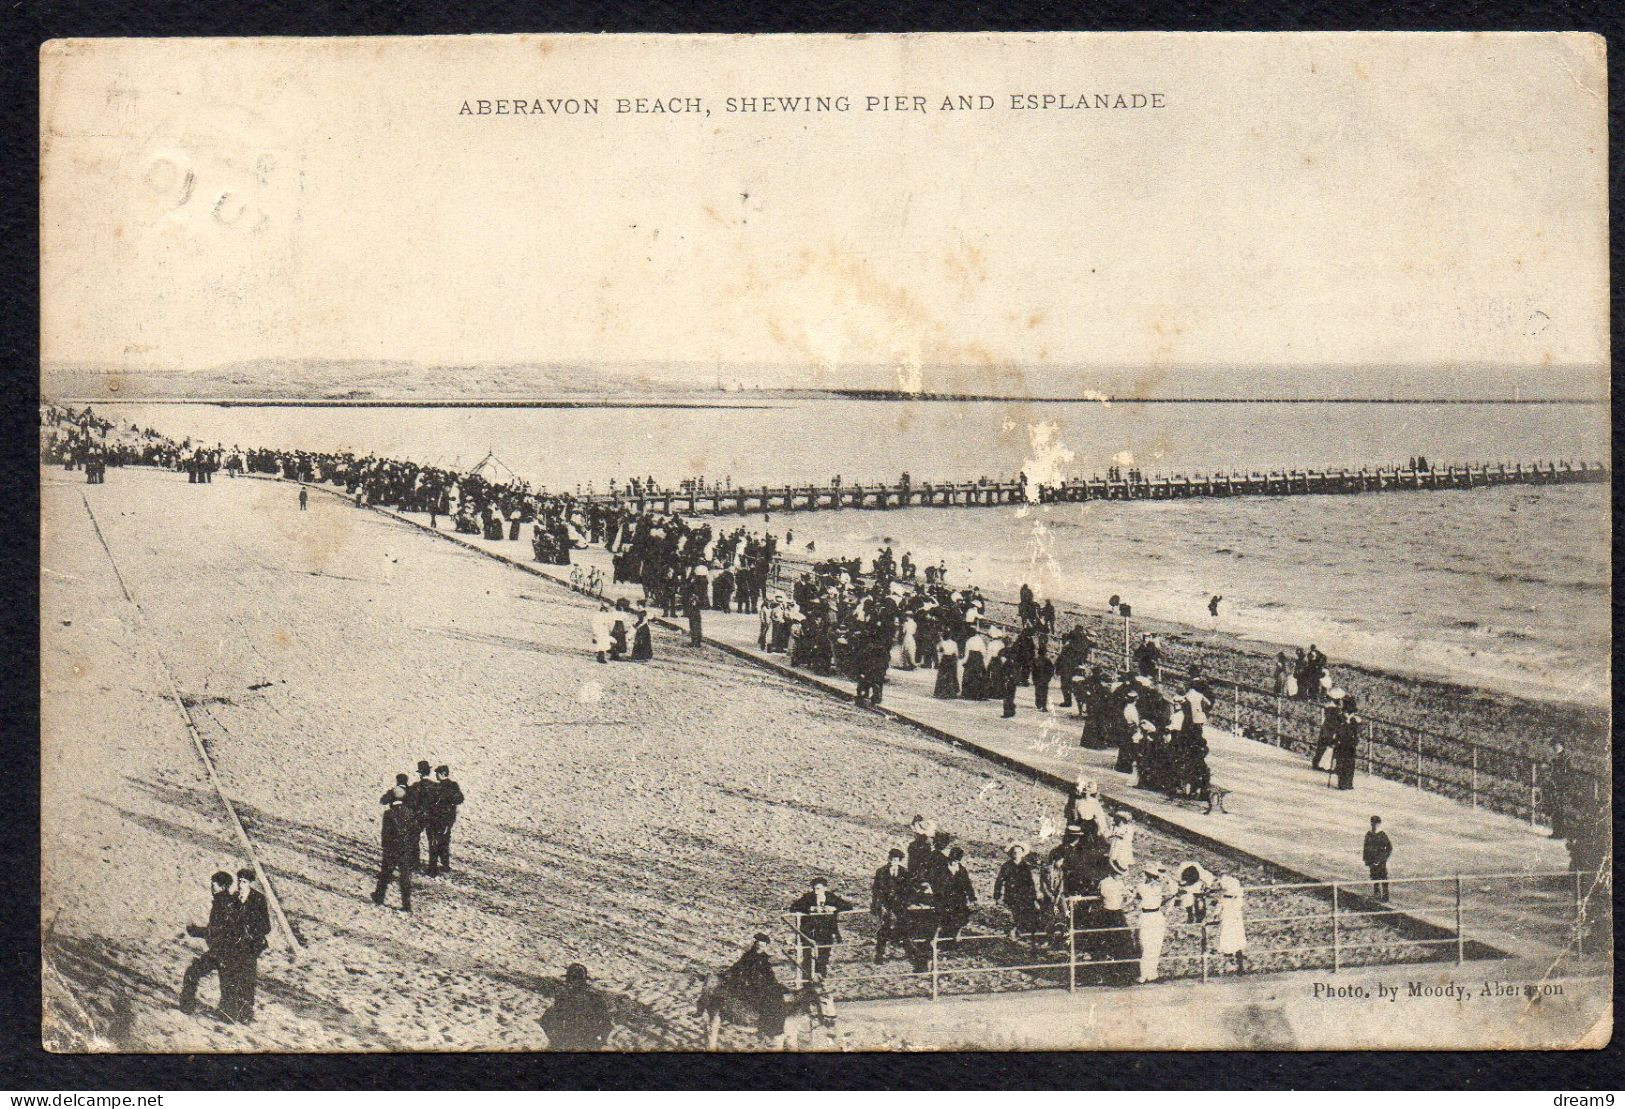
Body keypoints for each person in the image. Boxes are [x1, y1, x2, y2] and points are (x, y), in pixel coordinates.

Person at [179, 870, 244, 1018]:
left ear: (222, 886)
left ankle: (186, 1007)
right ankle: (228, 1014)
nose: (211, 888)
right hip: (228, 951)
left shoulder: (222, 903)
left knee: (192, 973)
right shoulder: (229, 902)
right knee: (227, 985)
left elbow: (216, 931)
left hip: (221, 951)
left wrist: (194, 931)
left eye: (214, 885)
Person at [721, 933, 788, 1038]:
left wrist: (776, 984)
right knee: (765, 999)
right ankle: (762, 1028)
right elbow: (737, 967)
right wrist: (728, 974)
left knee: (777, 996)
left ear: (765, 946)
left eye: (763, 945)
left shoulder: (764, 958)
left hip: (762, 985)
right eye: (758, 944)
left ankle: (774, 1028)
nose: (760, 947)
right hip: (748, 984)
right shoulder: (748, 956)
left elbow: (769, 974)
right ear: (755, 944)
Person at [788, 878, 853, 981]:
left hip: (826, 930)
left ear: (825, 888)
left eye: (818, 889)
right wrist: (810, 908)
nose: (815, 891)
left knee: (824, 954)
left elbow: (848, 906)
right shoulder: (808, 897)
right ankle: (809, 978)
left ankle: (820, 977)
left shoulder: (831, 897)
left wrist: (834, 908)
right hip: (811, 931)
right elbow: (793, 907)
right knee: (809, 955)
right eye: (814, 889)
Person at [539, 964, 613, 1050]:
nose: (576, 982)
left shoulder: (593, 998)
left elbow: (606, 1023)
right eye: (573, 978)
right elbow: (545, 1020)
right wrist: (555, 1039)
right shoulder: (564, 997)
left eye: (578, 978)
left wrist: (601, 1041)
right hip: (573, 1043)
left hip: (582, 1043)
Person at [231, 867, 271, 1023]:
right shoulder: (234, 897)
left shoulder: (258, 899)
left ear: (250, 883)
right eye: (239, 881)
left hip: (250, 946)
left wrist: (251, 929)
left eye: (244, 882)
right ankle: (234, 1010)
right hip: (236, 945)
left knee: (248, 979)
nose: (241, 885)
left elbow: (266, 926)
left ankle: (247, 1013)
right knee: (234, 977)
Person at [372, 787, 415, 911]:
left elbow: (385, 834)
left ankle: (379, 897)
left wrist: (385, 847)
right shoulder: (410, 812)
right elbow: (414, 832)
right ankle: (406, 905)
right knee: (405, 877)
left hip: (391, 848)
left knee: (385, 873)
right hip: (405, 848)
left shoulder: (389, 814)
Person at [993, 843, 1040, 942]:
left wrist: (1034, 898)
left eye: (1019, 852)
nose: (1017, 854)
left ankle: (1023, 934)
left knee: (1029, 913)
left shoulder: (1025, 867)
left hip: (1025, 895)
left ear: (1022, 854)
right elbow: (999, 881)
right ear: (1011, 854)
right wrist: (997, 896)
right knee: (1015, 914)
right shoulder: (1007, 866)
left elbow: (1030, 883)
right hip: (1012, 895)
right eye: (1014, 852)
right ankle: (1014, 932)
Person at [870, 848, 910, 964]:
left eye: (896, 859)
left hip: (899, 906)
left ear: (900, 860)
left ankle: (907, 952)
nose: (893, 861)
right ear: (889, 859)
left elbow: (907, 890)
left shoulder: (904, 872)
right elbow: (876, 890)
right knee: (883, 930)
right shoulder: (881, 871)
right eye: (892, 859)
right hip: (885, 905)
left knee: (904, 928)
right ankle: (880, 955)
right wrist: (877, 905)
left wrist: (904, 903)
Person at [936, 846, 978, 949]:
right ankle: (939, 941)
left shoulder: (962, 870)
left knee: (960, 917)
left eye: (955, 861)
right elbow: (937, 883)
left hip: (958, 898)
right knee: (944, 919)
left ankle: (956, 938)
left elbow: (968, 885)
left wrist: (972, 898)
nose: (953, 863)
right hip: (944, 897)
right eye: (951, 860)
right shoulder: (942, 868)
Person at [1136, 864, 1171, 983]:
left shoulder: (1157, 887)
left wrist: (1163, 880)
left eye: (1154, 876)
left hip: (1156, 915)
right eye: (1151, 876)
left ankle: (1152, 974)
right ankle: (1144, 974)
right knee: (1145, 944)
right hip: (1146, 915)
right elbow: (1143, 891)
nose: (1153, 878)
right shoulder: (1142, 886)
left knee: (1156, 944)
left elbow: (1170, 892)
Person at [426, 764, 464, 876]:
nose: (436, 775)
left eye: (437, 773)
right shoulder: (453, 785)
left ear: (442, 774)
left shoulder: (439, 787)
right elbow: (459, 799)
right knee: (444, 842)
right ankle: (445, 866)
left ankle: (432, 869)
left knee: (433, 843)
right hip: (447, 820)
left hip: (437, 819)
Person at [405, 760, 438, 872]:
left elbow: (409, 802)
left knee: (414, 839)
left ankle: (415, 864)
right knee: (433, 841)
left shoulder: (415, 787)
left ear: (420, 773)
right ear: (429, 772)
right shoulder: (436, 786)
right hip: (433, 817)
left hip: (418, 817)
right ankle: (432, 868)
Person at [1213, 874, 1248, 974]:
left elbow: (1219, 907)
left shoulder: (1226, 899)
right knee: (1237, 942)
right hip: (1235, 920)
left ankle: (1228, 966)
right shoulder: (1237, 898)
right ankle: (1238, 966)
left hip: (1229, 920)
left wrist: (1215, 914)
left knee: (1227, 941)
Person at [1363, 816, 1392, 901]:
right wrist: (1366, 860)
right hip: (1372, 861)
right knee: (1374, 877)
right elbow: (1365, 848)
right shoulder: (1368, 834)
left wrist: (1383, 858)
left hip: (1381, 861)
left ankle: (1385, 896)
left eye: (1376, 824)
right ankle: (1377, 894)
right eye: (1372, 823)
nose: (1374, 825)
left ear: (1379, 824)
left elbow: (1389, 848)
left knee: (1383, 877)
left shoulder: (1382, 835)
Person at [1031, 643, 1054, 712]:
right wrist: (1048, 677)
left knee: (1038, 692)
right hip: (1044, 679)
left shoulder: (1035, 660)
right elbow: (1052, 669)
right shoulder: (1047, 660)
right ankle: (1043, 706)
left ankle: (1038, 705)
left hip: (1038, 679)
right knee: (1044, 693)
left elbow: (1033, 671)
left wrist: (1034, 679)